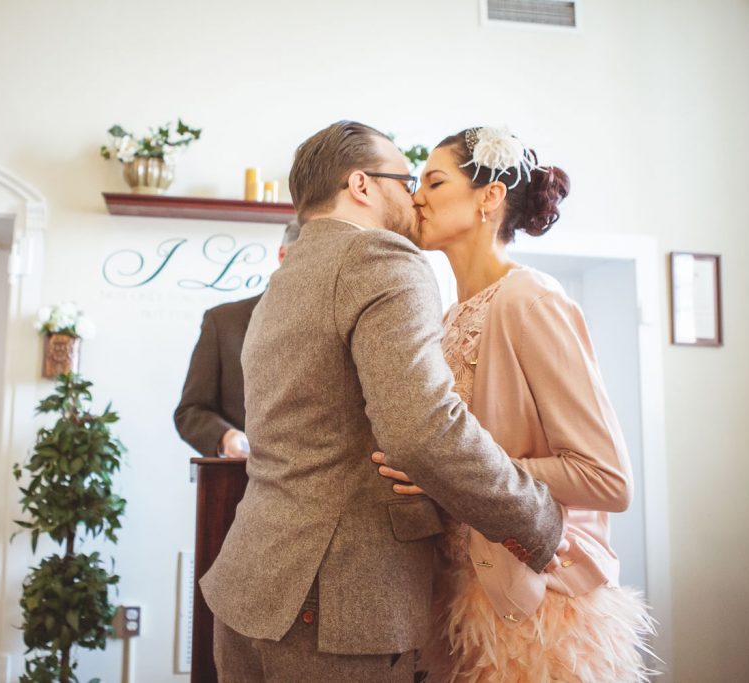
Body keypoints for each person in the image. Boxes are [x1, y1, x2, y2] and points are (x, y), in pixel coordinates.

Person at [199, 120, 566, 682]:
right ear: (362, 185)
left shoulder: (285, 277)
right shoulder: (381, 258)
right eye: (406, 178)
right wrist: (536, 520)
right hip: (335, 603)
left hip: (247, 584)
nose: (415, 196)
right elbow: (422, 429)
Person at [375, 126, 657, 681]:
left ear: (490, 197)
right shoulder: (447, 316)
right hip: (463, 597)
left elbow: (607, 479)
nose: (416, 197)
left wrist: (450, 478)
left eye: (434, 180)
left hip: (536, 607)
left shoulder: (531, 299)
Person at [174, 220, 300, 458]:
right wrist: (226, 436)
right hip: (243, 482)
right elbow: (191, 412)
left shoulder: (347, 323)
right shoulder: (222, 322)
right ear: (283, 255)